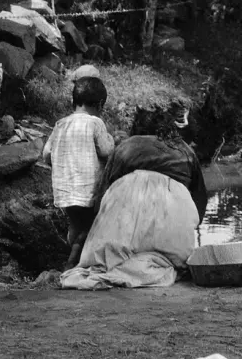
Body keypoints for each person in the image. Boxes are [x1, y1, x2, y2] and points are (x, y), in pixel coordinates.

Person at [60, 107, 209, 290]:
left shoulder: (125, 147)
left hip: (125, 227)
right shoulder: (186, 152)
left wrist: (94, 231)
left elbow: (103, 196)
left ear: (137, 129)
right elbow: (200, 201)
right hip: (172, 229)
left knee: (111, 256)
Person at [42, 75, 115, 268]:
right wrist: (113, 140)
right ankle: (75, 260)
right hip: (89, 190)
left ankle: (72, 256)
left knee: (74, 224)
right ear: (100, 105)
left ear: (72, 101)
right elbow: (106, 151)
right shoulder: (95, 123)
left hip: (65, 190)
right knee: (91, 226)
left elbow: (46, 154)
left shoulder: (60, 124)